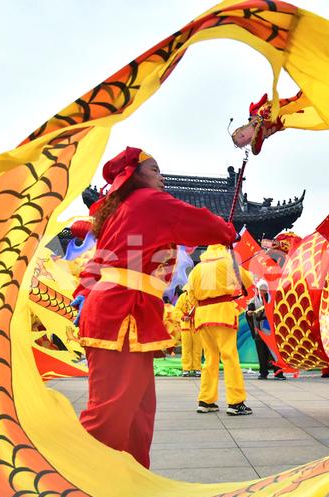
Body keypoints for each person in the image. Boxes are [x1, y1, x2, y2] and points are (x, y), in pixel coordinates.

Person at [72, 147, 236, 468]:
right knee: (111, 412)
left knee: (139, 413)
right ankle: (78, 479)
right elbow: (209, 226)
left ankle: (130, 479)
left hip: (122, 308)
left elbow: (97, 256)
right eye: (155, 170)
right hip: (122, 311)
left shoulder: (120, 210)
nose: (162, 178)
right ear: (133, 176)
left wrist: (83, 291)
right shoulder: (150, 202)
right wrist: (228, 230)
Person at [192, 245, 255, 415]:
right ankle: (235, 402)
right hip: (222, 313)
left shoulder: (198, 268)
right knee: (229, 357)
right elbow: (247, 281)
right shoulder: (228, 262)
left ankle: (206, 401)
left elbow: (190, 293)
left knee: (210, 359)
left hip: (203, 315)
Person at [246, 279, 285, 380]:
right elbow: (249, 310)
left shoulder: (272, 299)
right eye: (261, 290)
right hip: (259, 328)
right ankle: (263, 372)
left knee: (274, 351)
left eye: (264, 290)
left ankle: (278, 372)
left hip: (270, 327)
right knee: (261, 351)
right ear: (257, 290)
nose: (263, 292)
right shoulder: (253, 300)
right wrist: (249, 312)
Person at [175, 282, 203, 377]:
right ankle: (186, 368)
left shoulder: (199, 297)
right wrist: (183, 316)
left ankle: (197, 368)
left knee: (198, 348)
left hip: (197, 326)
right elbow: (177, 309)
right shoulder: (183, 297)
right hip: (186, 327)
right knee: (186, 348)